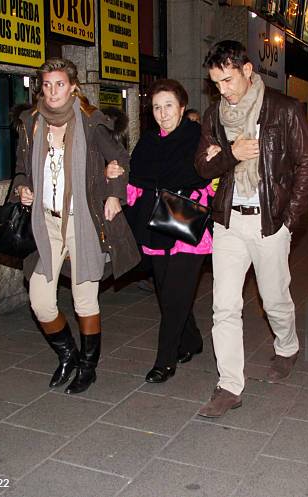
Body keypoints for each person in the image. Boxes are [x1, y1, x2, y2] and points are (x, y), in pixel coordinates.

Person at [194, 40, 308, 417]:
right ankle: (230, 385)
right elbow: (202, 166)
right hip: (228, 221)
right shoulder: (216, 116)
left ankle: (287, 345)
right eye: (216, 84)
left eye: (228, 81)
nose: (223, 91)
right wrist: (233, 155)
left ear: (248, 71)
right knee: (224, 306)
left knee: (274, 297)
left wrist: (288, 221)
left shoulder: (284, 109)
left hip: (269, 221)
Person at [11, 58, 140, 394]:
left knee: (85, 300)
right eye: (47, 84)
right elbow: (22, 168)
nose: (52, 91)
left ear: (72, 87)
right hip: (45, 223)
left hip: (82, 222)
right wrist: (23, 187)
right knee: (40, 301)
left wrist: (114, 194)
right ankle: (67, 354)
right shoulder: (31, 123)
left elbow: (120, 159)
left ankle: (88, 365)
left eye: (59, 84)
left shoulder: (90, 123)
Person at [109, 79, 213, 383]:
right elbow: (135, 182)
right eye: (156, 107)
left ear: (182, 107)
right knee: (169, 293)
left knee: (173, 296)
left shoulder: (199, 139)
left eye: (168, 105)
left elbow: (211, 176)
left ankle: (164, 360)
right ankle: (191, 340)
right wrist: (116, 177)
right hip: (154, 225)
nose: (163, 112)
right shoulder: (148, 142)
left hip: (185, 221)